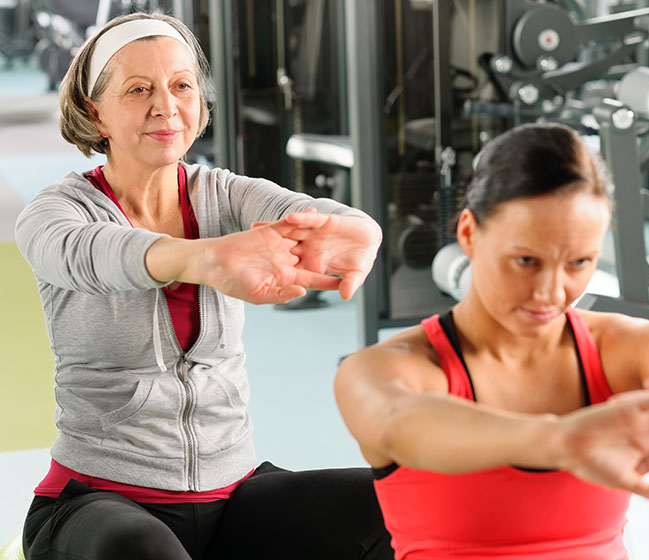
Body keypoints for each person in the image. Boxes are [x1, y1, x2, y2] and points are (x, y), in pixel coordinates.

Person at [15, 12, 392, 560]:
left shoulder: (224, 194)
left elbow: (312, 213)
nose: (166, 105)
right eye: (139, 89)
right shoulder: (58, 213)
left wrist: (361, 231)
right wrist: (204, 259)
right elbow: (92, 254)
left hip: (233, 493)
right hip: (101, 504)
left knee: (399, 502)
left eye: (182, 86)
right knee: (137, 547)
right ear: (96, 112)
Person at [334, 123, 649, 560]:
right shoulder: (384, 369)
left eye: (578, 262)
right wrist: (563, 439)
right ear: (469, 233)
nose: (551, 293)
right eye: (527, 260)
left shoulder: (623, 347)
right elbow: (400, 424)